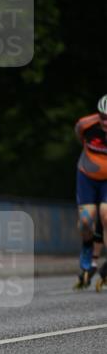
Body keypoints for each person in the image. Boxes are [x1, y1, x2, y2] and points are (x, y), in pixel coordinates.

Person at [73, 94, 107, 289]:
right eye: (102, 117)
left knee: (106, 214)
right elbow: (79, 136)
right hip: (86, 176)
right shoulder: (85, 124)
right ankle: (87, 249)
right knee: (87, 220)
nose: (105, 122)